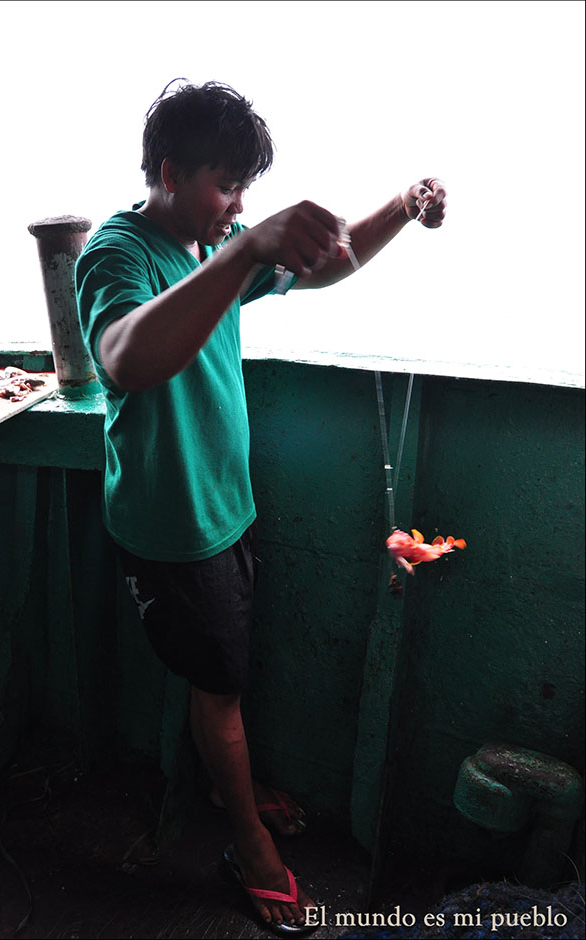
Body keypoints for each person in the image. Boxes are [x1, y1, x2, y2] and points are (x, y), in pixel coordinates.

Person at [75, 79, 446, 934]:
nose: (238, 206)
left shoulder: (213, 244)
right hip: (173, 526)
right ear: (170, 171)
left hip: (224, 509)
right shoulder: (116, 252)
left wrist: (399, 206)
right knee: (219, 690)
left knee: (226, 678)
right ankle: (248, 846)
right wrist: (241, 252)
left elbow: (329, 262)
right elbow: (124, 359)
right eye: (225, 185)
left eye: (245, 189)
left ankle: (224, 785)